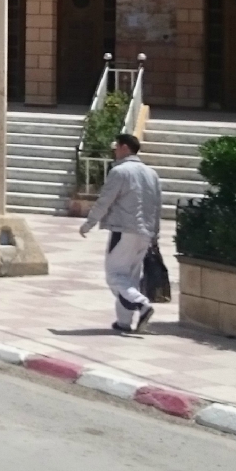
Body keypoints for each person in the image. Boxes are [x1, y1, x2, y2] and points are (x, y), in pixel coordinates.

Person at [78, 132, 162, 335]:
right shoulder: (152, 174)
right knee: (130, 278)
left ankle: (142, 304)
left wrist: (89, 223)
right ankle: (124, 322)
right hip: (145, 233)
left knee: (115, 276)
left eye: (116, 146)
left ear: (125, 147)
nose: (114, 150)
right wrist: (155, 235)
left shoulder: (120, 172)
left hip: (124, 230)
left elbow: (105, 200)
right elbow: (157, 206)